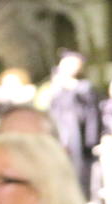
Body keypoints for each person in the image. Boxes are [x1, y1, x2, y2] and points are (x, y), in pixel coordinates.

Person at [41, 50, 100, 193]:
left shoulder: (84, 88)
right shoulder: (51, 88)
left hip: (76, 135)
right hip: (55, 133)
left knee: (77, 170)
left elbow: (91, 114)